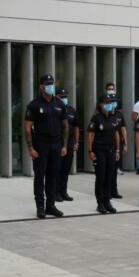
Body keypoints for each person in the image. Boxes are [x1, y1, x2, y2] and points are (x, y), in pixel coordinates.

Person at [24, 74, 68, 219]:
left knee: (53, 176)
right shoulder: (34, 105)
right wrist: (31, 148)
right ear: (41, 87)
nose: (50, 86)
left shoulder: (59, 104)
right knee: (39, 176)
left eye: (52, 83)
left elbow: (65, 126)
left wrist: (64, 145)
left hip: (56, 143)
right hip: (41, 144)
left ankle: (51, 206)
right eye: (47, 84)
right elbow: (27, 128)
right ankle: (40, 207)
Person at [87, 94, 120, 214]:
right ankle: (100, 203)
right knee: (100, 176)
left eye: (110, 102)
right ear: (100, 104)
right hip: (99, 150)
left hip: (111, 150)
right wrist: (90, 151)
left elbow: (116, 133)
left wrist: (117, 150)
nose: (109, 104)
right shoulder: (96, 118)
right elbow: (90, 135)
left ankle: (107, 201)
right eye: (106, 102)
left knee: (109, 176)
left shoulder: (113, 117)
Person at [55, 88, 79, 202]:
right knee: (57, 168)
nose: (64, 98)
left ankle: (63, 191)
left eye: (65, 96)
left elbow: (76, 127)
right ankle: (55, 192)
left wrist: (76, 142)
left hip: (69, 142)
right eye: (61, 96)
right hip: (58, 142)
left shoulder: (71, 110)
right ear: (56, 96)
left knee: (66, 169)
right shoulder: (55, 108)